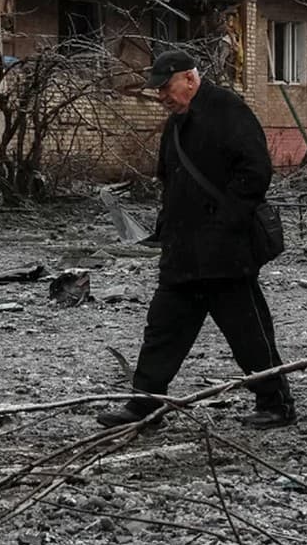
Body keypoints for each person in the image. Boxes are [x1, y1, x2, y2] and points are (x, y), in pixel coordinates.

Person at [98, 50, 296, 430]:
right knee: (162, 330)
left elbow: (256, 172)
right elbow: (170, 181)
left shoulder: (227, 109)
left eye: (165, 87)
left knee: (249, 334)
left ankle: (276, 404)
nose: (161, 96)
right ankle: (145, 405)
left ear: (189, 78)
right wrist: (168, 229)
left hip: (226, 254)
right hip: (182, 253)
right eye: (157, 90)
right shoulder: (176, 123)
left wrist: (224, 224)